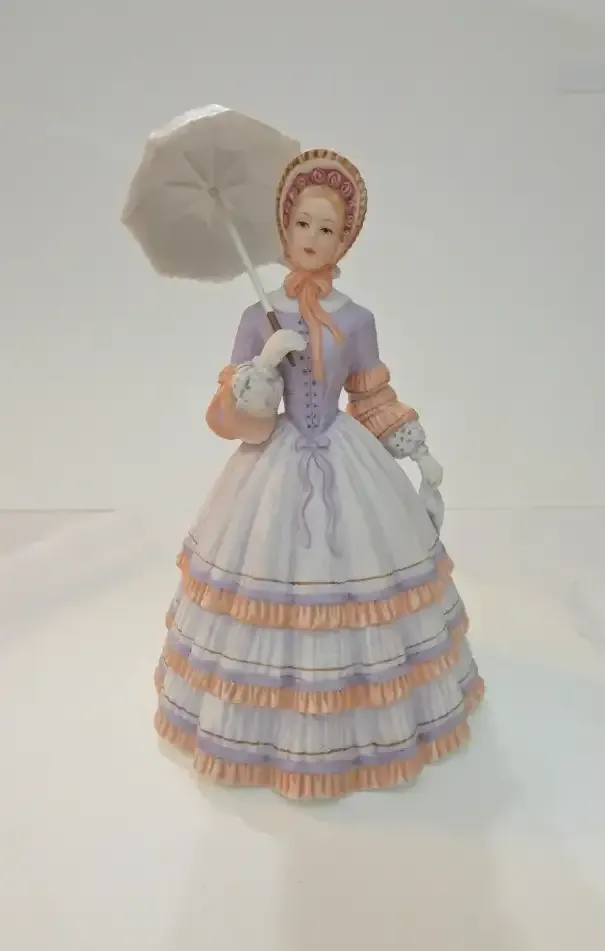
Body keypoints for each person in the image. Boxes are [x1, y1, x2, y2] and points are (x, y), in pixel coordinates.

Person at [154, 148, 484, 799]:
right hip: (274, 464)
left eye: (327, 228)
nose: (311, 237)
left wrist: (415, 450)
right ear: (284, 227)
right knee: (261, 580)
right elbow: (237, 416)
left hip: (343, 453)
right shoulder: (259, 317)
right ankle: (265, 734)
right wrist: (265, 362)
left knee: (364, 581)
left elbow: (370, 395)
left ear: (344, 239)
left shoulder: (356, 318)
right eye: (302, 223)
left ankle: (359, 733)